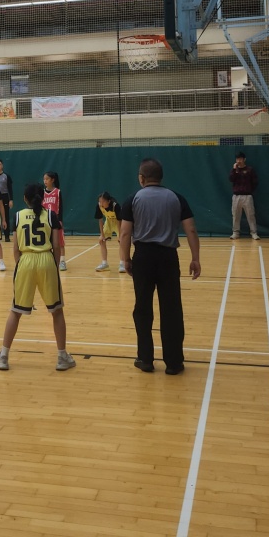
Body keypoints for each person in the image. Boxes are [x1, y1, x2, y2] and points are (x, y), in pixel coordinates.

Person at [120, 157, 200, 376]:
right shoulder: (176, 197)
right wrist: (195, 258)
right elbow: (191, 229)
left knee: (142, 308)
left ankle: (145, 359)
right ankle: (174, 362)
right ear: (161, 177)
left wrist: (126, 259)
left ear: (142, 178)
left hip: (143, 257)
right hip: (168, 258)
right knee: (172, 309)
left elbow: (125, 233)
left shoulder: (133, 199)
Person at [0, 182, 75, 373]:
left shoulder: (18, 216)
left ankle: (3, 356)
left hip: (25, 261)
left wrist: (21, 266)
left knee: (15, 311)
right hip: (46, 260)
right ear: (43, 198)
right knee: (57, 311)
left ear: (24, 199)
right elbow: (56, 246)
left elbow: (15, 248)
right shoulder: (51, 215)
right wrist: (54, 266)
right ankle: (62, 357)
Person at [229, 151, 259, 239]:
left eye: (240, 159)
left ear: (244, 159)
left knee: (250, 215)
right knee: (235, 215)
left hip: (247, 196)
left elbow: (255, 182)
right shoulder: (234, 170)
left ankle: (254, 232)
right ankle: (235, 233)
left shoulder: (250, 169)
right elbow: (231, 179)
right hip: (236, 196)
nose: (239, 161)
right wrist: (234, 170)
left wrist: (249, 190)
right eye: (237, 159)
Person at [95, 191, 125, 273]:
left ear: (108, 201)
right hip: (108, 221)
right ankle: (104, 264)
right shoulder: (99, 206)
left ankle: (122, 264)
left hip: (118, 223)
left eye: (103, 201)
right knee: (102, 241)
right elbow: (100, 220)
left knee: (122, 241)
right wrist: (102, 234)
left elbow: (119, 220)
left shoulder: (116, 206)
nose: (101, 203)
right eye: (100, 201)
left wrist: (120, 235)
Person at [43, 171, 66, 270]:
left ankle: (62, 261)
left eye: (47, 179)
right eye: (44, 179)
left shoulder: (57, 192)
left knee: (60, 242)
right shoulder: (42, 192)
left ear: (52, 180)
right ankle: (48, 260)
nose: (45, 181)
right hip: (45, 219)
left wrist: (60, 219)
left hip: (55, 219)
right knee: (47, 241)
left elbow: (60, 206)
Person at [0, 159, 13, 240]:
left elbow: (10, 188)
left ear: (2, 166)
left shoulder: (6, 176)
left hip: (4, 197)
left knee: (5, 217)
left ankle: (7, 236)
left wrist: (11, 200)